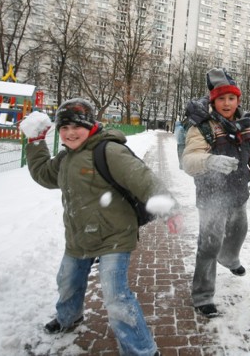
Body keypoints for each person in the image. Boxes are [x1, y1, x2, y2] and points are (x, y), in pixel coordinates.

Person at [19, 98, 181, 356]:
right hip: (79, 235)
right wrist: (35, 143)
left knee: (116, 296)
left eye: (77, 127)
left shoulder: (108, 151)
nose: (70, 133)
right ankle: (68, 318)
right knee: (68, 282)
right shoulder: (66, 158)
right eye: (64, 128)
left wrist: (169, 208)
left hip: (114, 235)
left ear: (91, 126)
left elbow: (142, 178)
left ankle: (142, 350)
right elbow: (43, 174)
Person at [182, 68, 250, 318]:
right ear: (213, 101)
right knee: (209, 244)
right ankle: (203, 295)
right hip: (212, 197)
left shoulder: (248, 127)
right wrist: (210, 162)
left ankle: (229, 259)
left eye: (231, 98)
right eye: (221, 99)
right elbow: (188, 160)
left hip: (238, 195)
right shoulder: (203, 128)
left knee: (239, 231)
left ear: (238, 100)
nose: (227, 103)